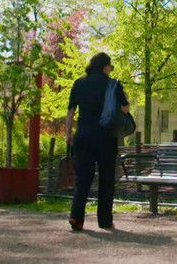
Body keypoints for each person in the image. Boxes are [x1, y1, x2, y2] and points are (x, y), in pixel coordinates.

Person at [65, 52, 130, 231]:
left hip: (83, 136)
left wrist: (68, 134)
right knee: (106, 179)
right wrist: (124, 96)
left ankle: (76, 217)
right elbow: (125, 108)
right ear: (105, 66)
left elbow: (70, 111)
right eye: (110, 67)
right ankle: (105, 221)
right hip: (105, 137)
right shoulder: (113, 84)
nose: (111, 70)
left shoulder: (79, 83)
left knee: (82, 179)